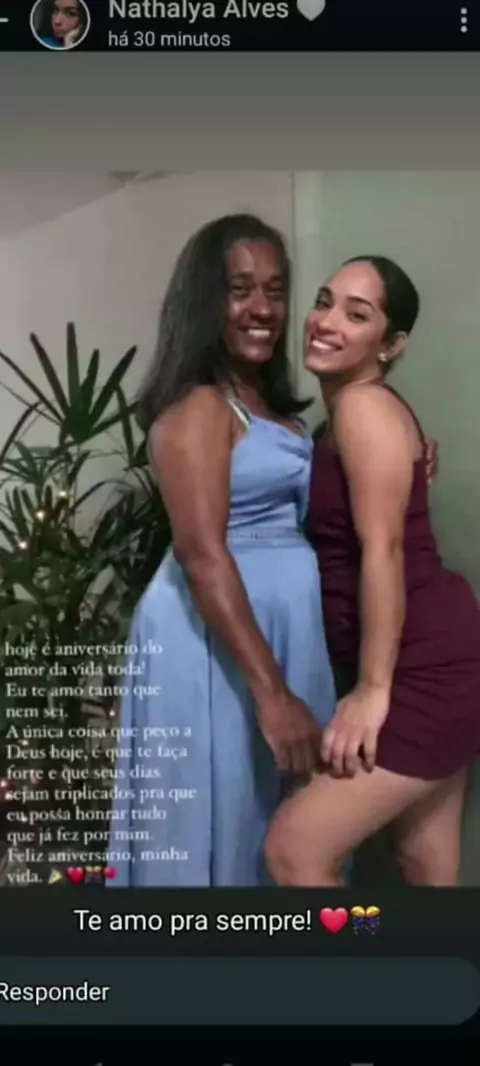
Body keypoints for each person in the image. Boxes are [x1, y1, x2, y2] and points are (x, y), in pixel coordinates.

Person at [108, 214, 337, 886]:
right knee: (221, 819)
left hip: (277, 630)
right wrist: (273, 694)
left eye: (275, 289)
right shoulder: (200, 407)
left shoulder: (270, 408)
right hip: (214, 640)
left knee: (280, 827)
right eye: (241, 290)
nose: (262, 308)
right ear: (205, 300)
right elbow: (203, 555)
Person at [265, 255, 480, 887]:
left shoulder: (363, 407)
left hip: (423, 668)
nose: (326, 321)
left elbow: (383, 551)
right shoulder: (345, 416)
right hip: (437, 651)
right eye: (324, 301)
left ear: (391, 345)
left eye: (356, 315)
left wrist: (371, 691)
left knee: (295, 850)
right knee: (426, 864)